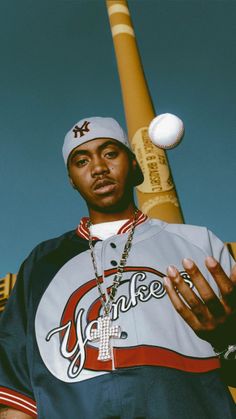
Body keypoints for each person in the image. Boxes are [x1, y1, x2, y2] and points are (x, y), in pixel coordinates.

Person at [0, 116, 236, 419]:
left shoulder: (199, 244)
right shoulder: (42, 263)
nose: (98, 168)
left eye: (110, 153)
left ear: (135, 164)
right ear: (71, 179)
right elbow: (16, 393)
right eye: (81, 161)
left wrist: (227, 339)